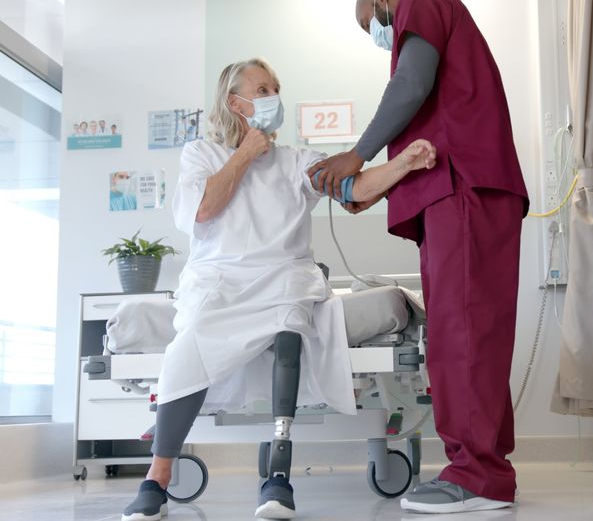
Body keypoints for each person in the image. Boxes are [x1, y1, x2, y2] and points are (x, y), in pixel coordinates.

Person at [120, 58, 436, 521]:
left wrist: (404, 163)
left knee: (292, 323)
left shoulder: (297, 160)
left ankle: (279, 476)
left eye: (275, 89)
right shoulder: (201, 155)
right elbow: (203, 210)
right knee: (189, 342)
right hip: (220, 280)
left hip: (285, 275)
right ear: (236, 103)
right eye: (262, 90)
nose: (273, 98)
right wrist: (247, 152)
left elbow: (354, 187)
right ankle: (157, 477)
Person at [308, 0, 528, 514]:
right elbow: (424, 137)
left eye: (371, 26)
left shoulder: (421, 3)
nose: (378, 37)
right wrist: (376, 183)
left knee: (464, 331)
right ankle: (484, 465)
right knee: (471, 331)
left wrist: (355, 156)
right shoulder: (442, 45)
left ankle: (477, 476)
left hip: (465, 191)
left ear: (383, 2)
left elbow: (409, 86)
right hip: (459, 193)